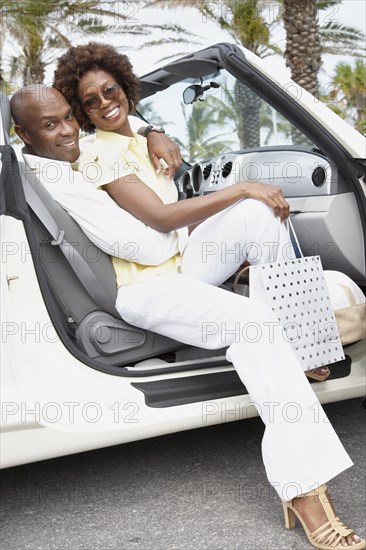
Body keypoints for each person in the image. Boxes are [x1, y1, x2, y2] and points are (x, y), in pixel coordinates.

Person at [11, 76, 364, 547]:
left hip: (170, 266)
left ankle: (301, 351)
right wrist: (195, 221)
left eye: (69, 117)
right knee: (255, 324)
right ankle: (303, 488)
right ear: (25, 135)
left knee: (258, 215)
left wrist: (154, 128)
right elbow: (146, 243)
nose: (68, 130)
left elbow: (124, 127)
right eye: (50, 125)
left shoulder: (76, 153)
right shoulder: (59, 177)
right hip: (142, 288)